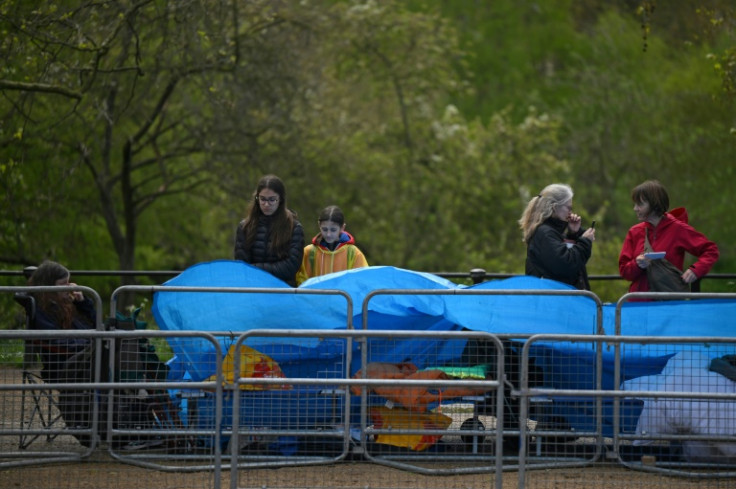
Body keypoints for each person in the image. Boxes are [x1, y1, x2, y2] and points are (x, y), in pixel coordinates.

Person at [27, 260, 96, 445]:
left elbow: (99, 326)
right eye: (63, 284)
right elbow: (57, 341)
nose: (70, 288)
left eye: (69, 283)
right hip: (65, 366)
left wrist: (84, 303)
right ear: (49, 286)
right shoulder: (43, 309)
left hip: (84, 359)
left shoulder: (70, 305)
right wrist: (91, 344)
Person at [618, 180, 719, 293]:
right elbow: (624, 271)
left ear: (654, 204)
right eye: (635, 204)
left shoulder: (678, 229)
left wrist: (696, 270)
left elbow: (711, 250)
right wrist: (637, 264)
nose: (635, 208)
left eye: (640, 204)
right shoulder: (634, 232)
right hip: (638, 304)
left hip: (668, 304)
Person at [518, 183, 596, 290]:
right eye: (569, 208)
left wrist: (574, 234)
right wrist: (585, 242)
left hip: (556, 300)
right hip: (553, 301)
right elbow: (566, 265)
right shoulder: (546, 233)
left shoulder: (551, 232)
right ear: (554, 207)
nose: (570, 213)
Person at [233, 174, 305, 286]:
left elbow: (291, 266)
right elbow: (242, 267)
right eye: (262, 199)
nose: (266, 204)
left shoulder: (294, 228)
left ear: (280, 199)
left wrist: (256, 268)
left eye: (272, 200)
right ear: (257, 198)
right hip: (253, 290)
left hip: (283, 291)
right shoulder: (244, 227)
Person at [295, 205, 369, 285]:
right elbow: (301, 281)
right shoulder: (309, 252)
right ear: (319, 225)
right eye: (324, 229)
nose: (328, 234)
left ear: (342, 228)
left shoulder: (353, 253)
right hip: (316, 297)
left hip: (343, 297)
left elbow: (362, 281)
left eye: (333, 230)